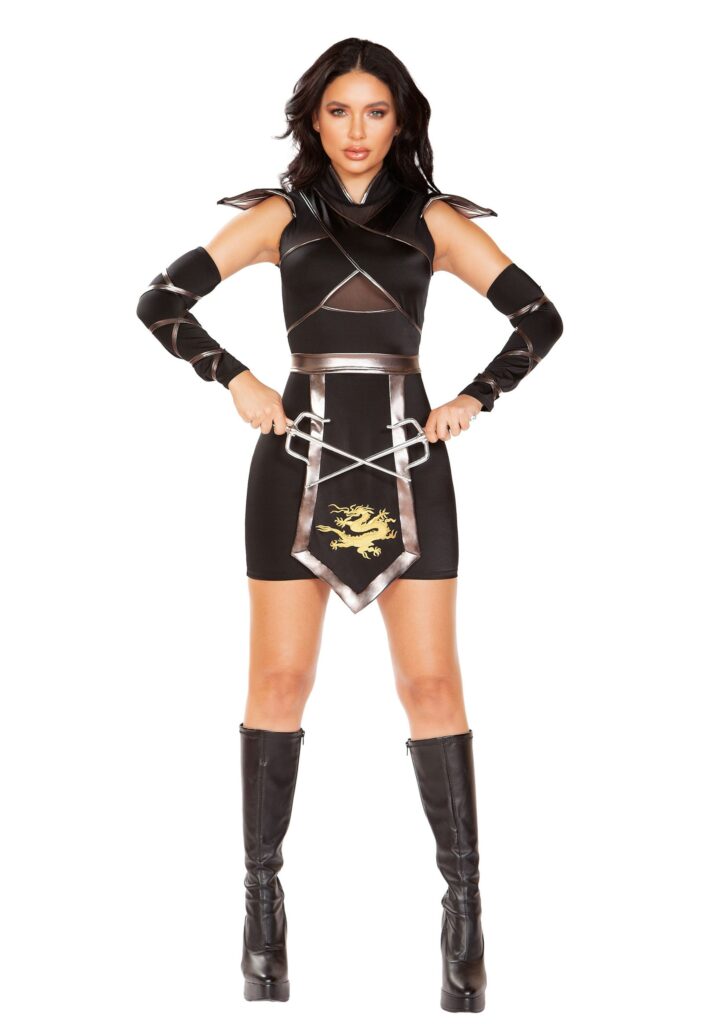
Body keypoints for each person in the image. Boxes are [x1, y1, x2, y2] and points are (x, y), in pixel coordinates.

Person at [136, 38, 563, 1014]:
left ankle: (464, 924)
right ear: (314, 120)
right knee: (279, 682)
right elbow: (161, 301)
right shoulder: (281, 216)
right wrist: (235, 378)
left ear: (400, 119)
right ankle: (262, 921)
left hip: (412, 461)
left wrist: (474, 398)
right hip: (296, 460)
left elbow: (539, 318)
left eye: (376, 111)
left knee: (431, 685)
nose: (357, 130)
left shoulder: (435, 221)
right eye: (339, 111)